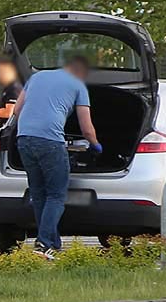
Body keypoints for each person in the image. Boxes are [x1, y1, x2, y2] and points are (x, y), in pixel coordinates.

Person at [13, 56, 101, 260]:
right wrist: (96, 146)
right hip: (50, 142)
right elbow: (86, 129)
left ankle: (53, 244)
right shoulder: (79, 86)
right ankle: (43, 243)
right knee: (56, 196)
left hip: (24, 139)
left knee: (39, 193)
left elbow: (17, 110)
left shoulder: (37, 77)